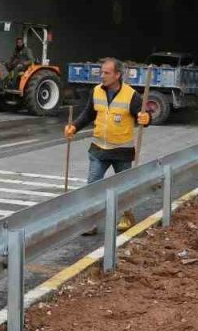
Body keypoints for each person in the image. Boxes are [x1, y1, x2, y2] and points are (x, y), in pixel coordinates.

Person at [63, 57, 150, 231]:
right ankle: (91, 222)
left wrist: (146, 118)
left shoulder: (131, 95)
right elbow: (88, 114)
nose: (102, 76)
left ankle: (127, 215)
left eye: (106, 73)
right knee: (93, 185)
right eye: (101, 72)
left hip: (122, 151)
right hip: (98, 150)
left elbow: (143, 116)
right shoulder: (96, 91)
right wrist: (74, 127)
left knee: (124, 187)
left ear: (117, 75)